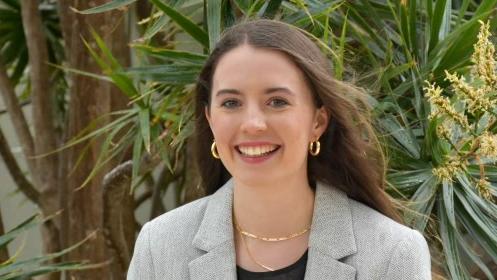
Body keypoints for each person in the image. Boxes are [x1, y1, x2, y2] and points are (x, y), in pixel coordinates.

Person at [127, 19, 431, 280]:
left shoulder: (392, 253)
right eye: (231, 103)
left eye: (277, 102)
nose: (253, 124)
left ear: (318, 121)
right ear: (210, 119)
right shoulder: (160, 247)